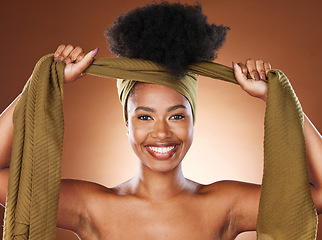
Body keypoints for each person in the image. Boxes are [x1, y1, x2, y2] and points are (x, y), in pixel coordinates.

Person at [0, 2, 321, 240]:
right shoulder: (90, 206)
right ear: (126, 123)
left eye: (177, 115)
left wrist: (278, 100)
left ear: (194, 119)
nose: (162, 132)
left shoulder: (227, 204)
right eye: (144, 116)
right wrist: (43, 85)